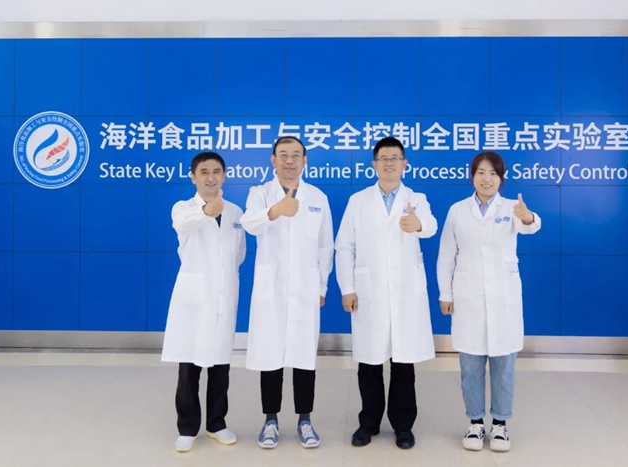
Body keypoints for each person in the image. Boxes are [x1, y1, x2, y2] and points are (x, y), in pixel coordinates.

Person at [335, 136, 437, 450]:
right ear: (374, 164)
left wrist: (418, 224)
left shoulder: (416, 198)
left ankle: (403, 426)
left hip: (405, 293)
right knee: (369, 361)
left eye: (395, 158)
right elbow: (344, 247)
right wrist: (347, 288)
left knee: (403, 363)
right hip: (369, 293)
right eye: (383, 158)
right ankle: (368, 423)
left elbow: (431, 226)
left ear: (405, 164)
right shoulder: (358, 201)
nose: (389, 163)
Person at [436, 151, 541, 453]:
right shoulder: (458, 210)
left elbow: (531, 225)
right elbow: (446, 254)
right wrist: (445, 293)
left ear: (501, 178)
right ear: (472, 176)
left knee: (503, 366)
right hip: (467, 298)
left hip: (503, 298)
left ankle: (500, 424)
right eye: (481, 173)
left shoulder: (511, 208)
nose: (486, 179)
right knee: (470, 367)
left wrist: (527, 216)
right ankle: (475, 422)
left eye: (493, 174)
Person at [239, 136, 334, 450]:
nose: (289, 160)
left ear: (305, 161)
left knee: (304, 356)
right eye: (283, 155)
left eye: (296, 155)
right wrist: (274, 211)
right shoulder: (260, 193)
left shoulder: (317, 197)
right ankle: (270, 420)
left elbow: (325, 246)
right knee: (271, 355)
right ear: (273, 160)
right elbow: (249, 223)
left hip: (306, 288)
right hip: (272, 288)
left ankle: (305, 420)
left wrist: (321, 286)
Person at [161, 151, 246, 453]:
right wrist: (207, 211)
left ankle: (216, 424)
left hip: (223, 297)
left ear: (224, 175)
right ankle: (187, 428)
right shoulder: (183, 209)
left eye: (217, 172)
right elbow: (186, 225)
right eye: (205, 172)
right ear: (193, 177)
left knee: (221, 366)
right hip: (195, 299)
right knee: (190, 366)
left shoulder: (235, 211)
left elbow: (238, 255)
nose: (211, 178)